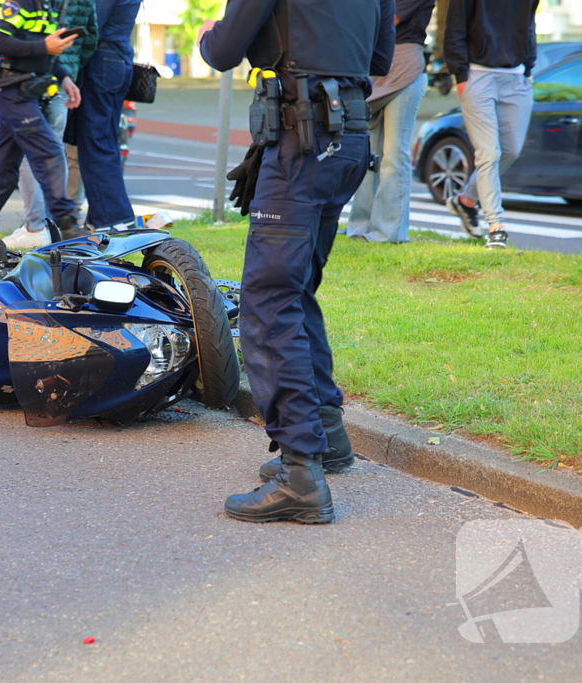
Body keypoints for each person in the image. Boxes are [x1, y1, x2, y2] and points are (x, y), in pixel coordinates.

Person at [201, 0, 394, 524]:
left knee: (268, 303)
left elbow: (222, 51)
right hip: (348, 139)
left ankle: (300, 474)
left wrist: (209, 34)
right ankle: (326, 438)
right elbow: (380, 58)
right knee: (296, 289)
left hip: (301, 140)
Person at [0, 0, 88, 259]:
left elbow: (43, 52)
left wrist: (64, 77)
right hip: (11, 93)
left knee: (3, 169)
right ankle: (68, 226)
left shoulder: (49, 5)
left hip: (27, 93)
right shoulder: (19, 2)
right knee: (49, 153)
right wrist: (44, 47)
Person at [444, 0, 539, 249]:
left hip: (516, 77)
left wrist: (528, 67)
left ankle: (465, 201)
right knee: (488, 152)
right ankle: (496, 226)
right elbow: (455, 28)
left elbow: (528, 24)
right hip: (477, 75)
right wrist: (460, 75)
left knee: (511, 150)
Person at [5, 0, 98, 250]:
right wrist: (70, 68)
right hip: (63, 76)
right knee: (55, 151)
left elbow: (5, 37)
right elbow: (91, 38)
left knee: (31, 152)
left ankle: (36, 226)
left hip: (32, 76)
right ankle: (55, 224)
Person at [346, 0, 434, 243]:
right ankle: (360, 226)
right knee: (367, 154)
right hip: (374, 65)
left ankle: (389, 231)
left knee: (394, 153)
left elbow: (385, 20)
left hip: (404, 66)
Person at [73, 0, 141, 231]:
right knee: (106, 143)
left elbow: (92, 25)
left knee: (95, 143)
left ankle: (113, 218)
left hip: (102, 60)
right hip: (118, 58)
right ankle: (102, 217)